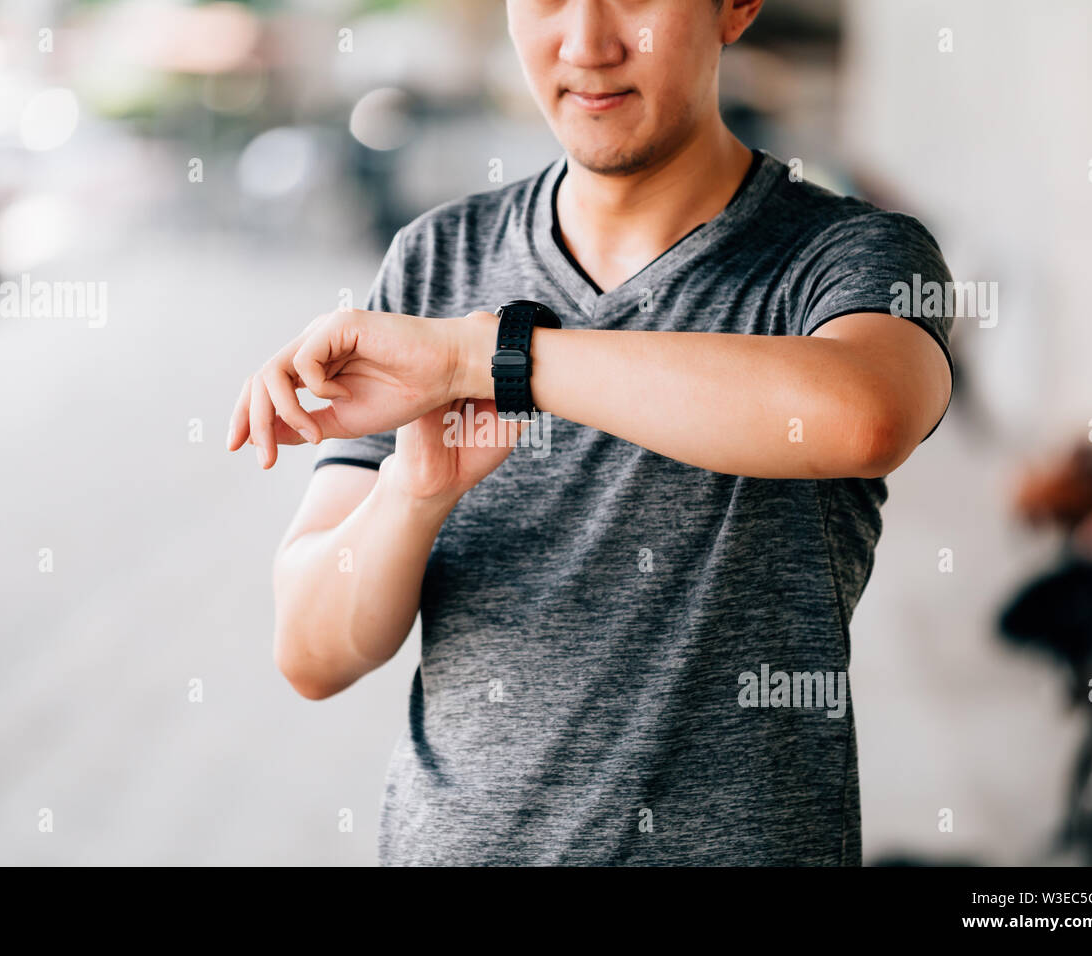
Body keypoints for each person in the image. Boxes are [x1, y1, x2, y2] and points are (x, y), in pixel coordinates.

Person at [227, 0, 954, 865]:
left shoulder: (847, 257)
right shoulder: (438, 259)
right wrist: (414, 495)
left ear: (736, 9)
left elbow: (861, 414)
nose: (586, 43)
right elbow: (311, 652)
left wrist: (486, 358)